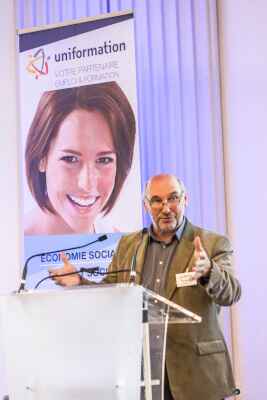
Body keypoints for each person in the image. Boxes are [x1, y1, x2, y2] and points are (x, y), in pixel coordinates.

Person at [50, 173, 241, 400]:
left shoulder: (212, 243)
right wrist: (79, 281)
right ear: (146, 205)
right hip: (144, 374)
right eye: (157, 200)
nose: (166, 208)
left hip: (196, 376)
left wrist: (209, 271)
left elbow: (232, 293)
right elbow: (114, 293)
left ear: (185, 200)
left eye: (173, 198)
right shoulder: (129, 245)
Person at [24, 81, 136, 235]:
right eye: (70, 159)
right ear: (41, 158)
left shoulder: (122, 247)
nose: (87, 185)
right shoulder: (11, 245)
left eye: (104, 160)